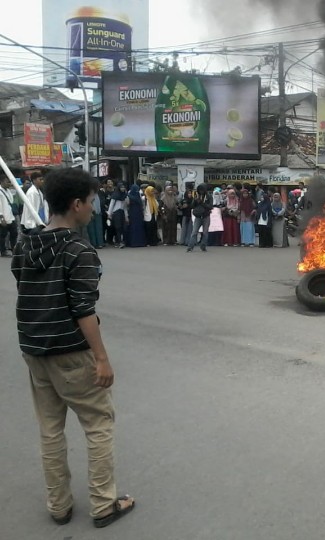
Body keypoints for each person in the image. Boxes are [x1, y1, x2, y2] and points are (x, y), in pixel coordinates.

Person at [11, 167, 135, 529]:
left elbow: (25, 284)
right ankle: (102, 504)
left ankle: (59, 505)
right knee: (98, 423)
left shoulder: (25, 244)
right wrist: (101, 358)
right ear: (76, 204)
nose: (93, 210)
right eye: (92, 202)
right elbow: (83, 309)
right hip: (70, 351)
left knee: (50, 428)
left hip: (35, 349)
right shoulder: (79, 250)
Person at [187, 183, 212, 252]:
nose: (201, 191)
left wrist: (201, 203)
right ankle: (190, 247)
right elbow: (192, 206)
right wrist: (194, 201)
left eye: (202, 190)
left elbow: (210, 206)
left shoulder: (208, 196)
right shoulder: (197, 196)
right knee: (194, 232)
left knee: (205, 232)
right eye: (200, 190)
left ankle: (203, 246)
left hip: (206, 216)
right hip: (198, 217)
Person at [0, 174, 18, 256]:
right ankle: (3, 251)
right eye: (7, 182)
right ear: (2, 182)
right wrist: (1, 217)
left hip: (11, 216)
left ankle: (14, 249)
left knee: (14, 233)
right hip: (4, 217)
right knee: (2, 235)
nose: (9, 183)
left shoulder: (8, 191)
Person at [107, 183, 128, 248]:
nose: (123, 188)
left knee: (123, 228)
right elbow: (111, 205)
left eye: (124, 187)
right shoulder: (115, 195)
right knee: (118, 227)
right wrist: (109, 214)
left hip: (122, 213)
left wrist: (126, 216)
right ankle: (119, 242)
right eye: (121, 187)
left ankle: (122, 241)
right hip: (116, 213)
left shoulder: (124, 195)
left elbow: (125, 207)